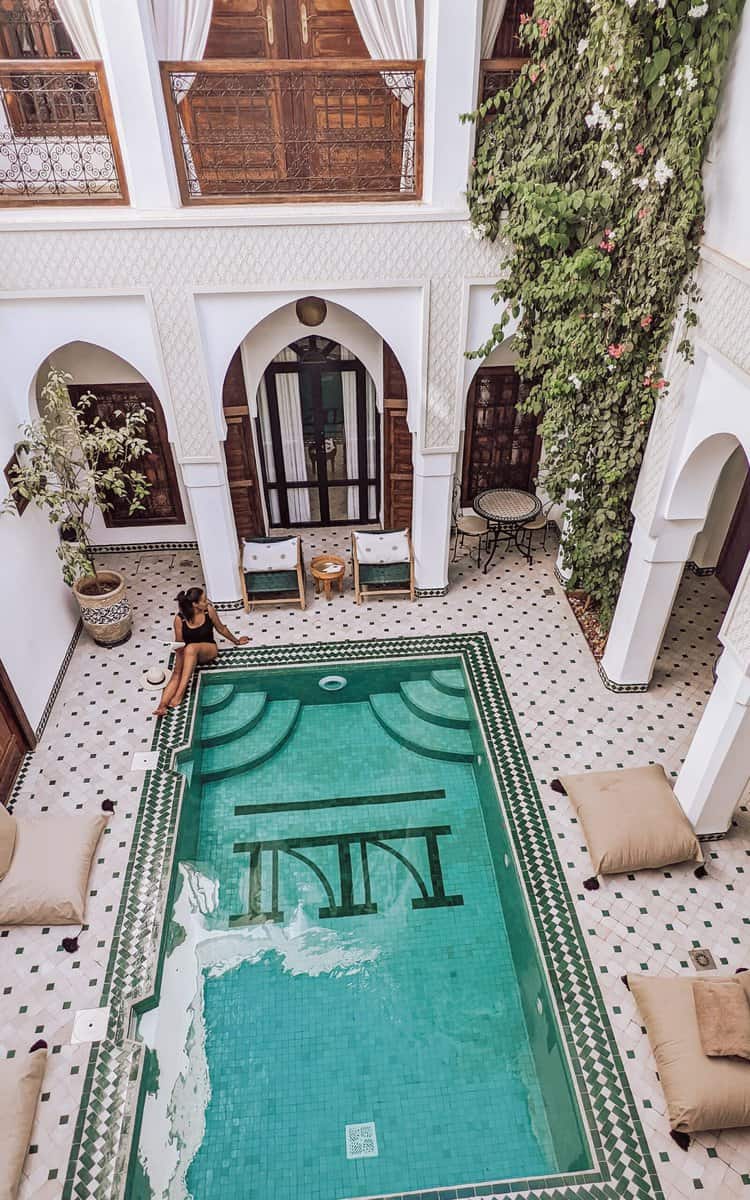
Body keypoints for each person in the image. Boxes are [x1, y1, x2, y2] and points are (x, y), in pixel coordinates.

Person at [153, 587, 249, 716]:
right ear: (195, 604)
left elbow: (221, 629)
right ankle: (162, 706)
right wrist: (178, 662)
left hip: (208, 650)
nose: (208, 602)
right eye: (204, 600)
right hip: (188, 653)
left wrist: (236, 641)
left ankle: (179, 695)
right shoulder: (180, 619)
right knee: (176, 673)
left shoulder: (209, 611)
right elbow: (179, 643)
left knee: (191, 648)